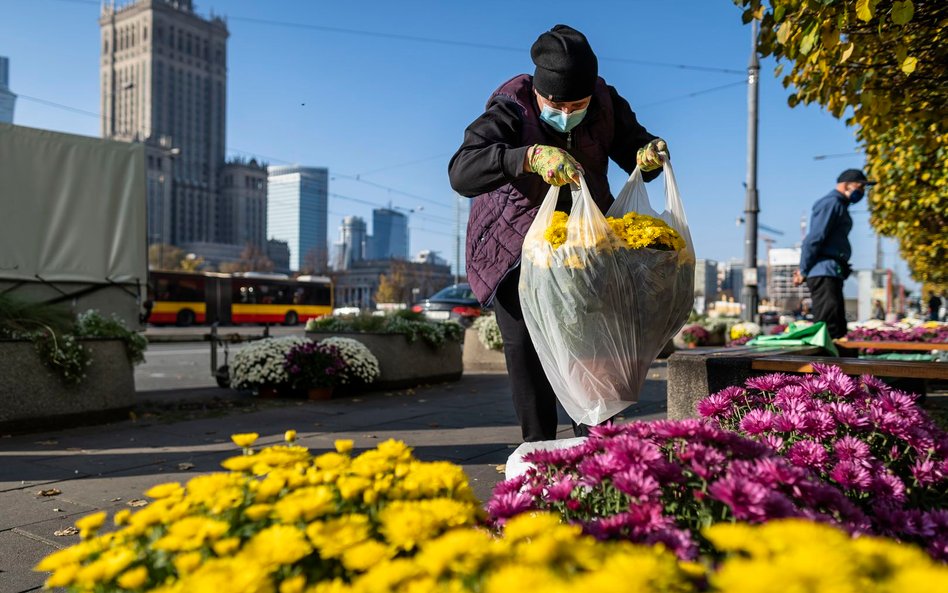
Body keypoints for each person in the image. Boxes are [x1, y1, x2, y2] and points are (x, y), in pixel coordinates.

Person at [448, 24, 668, 442]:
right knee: (526, 351)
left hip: (584, 249)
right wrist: (527, 157)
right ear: (538, 93)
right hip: (513, 251)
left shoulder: (606, 103)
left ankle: (598, 450)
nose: (566, 113)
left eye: (576, 103)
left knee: (593, 349)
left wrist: (649, 152)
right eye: (554, 103)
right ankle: (539, 449)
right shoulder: (511, 107)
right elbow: (462, 172)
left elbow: (633, 147)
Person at [793, 169, 875, 339]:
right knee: (828, 327)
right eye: (860, 187)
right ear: (846, 185)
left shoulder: (839, 205)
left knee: (837, 328)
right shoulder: (831, 203)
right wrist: (803, 269)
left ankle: (839, 365)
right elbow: (814, 238)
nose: (862, 193)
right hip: (823, 272)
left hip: (831, 271)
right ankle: (823, 365)